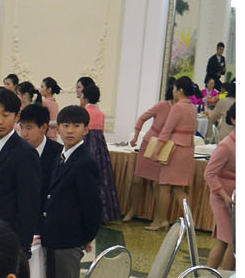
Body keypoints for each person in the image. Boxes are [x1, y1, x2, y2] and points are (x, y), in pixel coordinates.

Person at [40, 105, 102, 278]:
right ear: (57, 129)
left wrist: (86, 236)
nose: (70, 130)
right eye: (65, 125)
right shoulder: (62, 155)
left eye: (76, 126)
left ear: (86, 130)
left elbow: (92, 205)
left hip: (69, 238)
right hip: (54, 235)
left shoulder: (85, 162)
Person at [0, 86, 41, 262]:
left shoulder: (25, 152)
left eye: (5, 115)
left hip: (11, 241)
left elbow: (29, 203)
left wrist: (22, 248)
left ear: (16, 117)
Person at [146, 76, 199, 232]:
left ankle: (161, 220)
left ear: (180, 90)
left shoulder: (178, 107)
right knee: (178, 189)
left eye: (175, 89)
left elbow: (166, 131)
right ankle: (191, 221)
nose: (173, 91)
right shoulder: (192, 107)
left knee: (164, 186)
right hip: (187, 149)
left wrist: (156, 152)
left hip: (175, 150)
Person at [125, 82, 174, 223]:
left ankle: (158, 218)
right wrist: (136, 136)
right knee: (137, 180)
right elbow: (142, 118)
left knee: (158, 184)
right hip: (149, 143)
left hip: (164, 147)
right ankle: (132, 210)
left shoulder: (180, 110)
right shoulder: (162, 106)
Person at [74, 77, 121, 224]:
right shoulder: (100, 113)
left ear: (85, 97)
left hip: (86, 144)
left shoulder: (84, 112)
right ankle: (104, 213)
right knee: (103, 178)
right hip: (100, 149)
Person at [204, 105, 236, 270]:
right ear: (233, 120)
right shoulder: (226, 145)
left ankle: (210, 275)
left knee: (225, 241)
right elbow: (209, 174)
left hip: (234, 197)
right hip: (223, 198)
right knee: (231, 240)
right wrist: (224, 196)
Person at [18, 102, 62, 201]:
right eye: (21, 127)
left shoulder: (59, 153)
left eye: (29, 128)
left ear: (44, 128)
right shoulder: (15, 152)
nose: (24, 133)